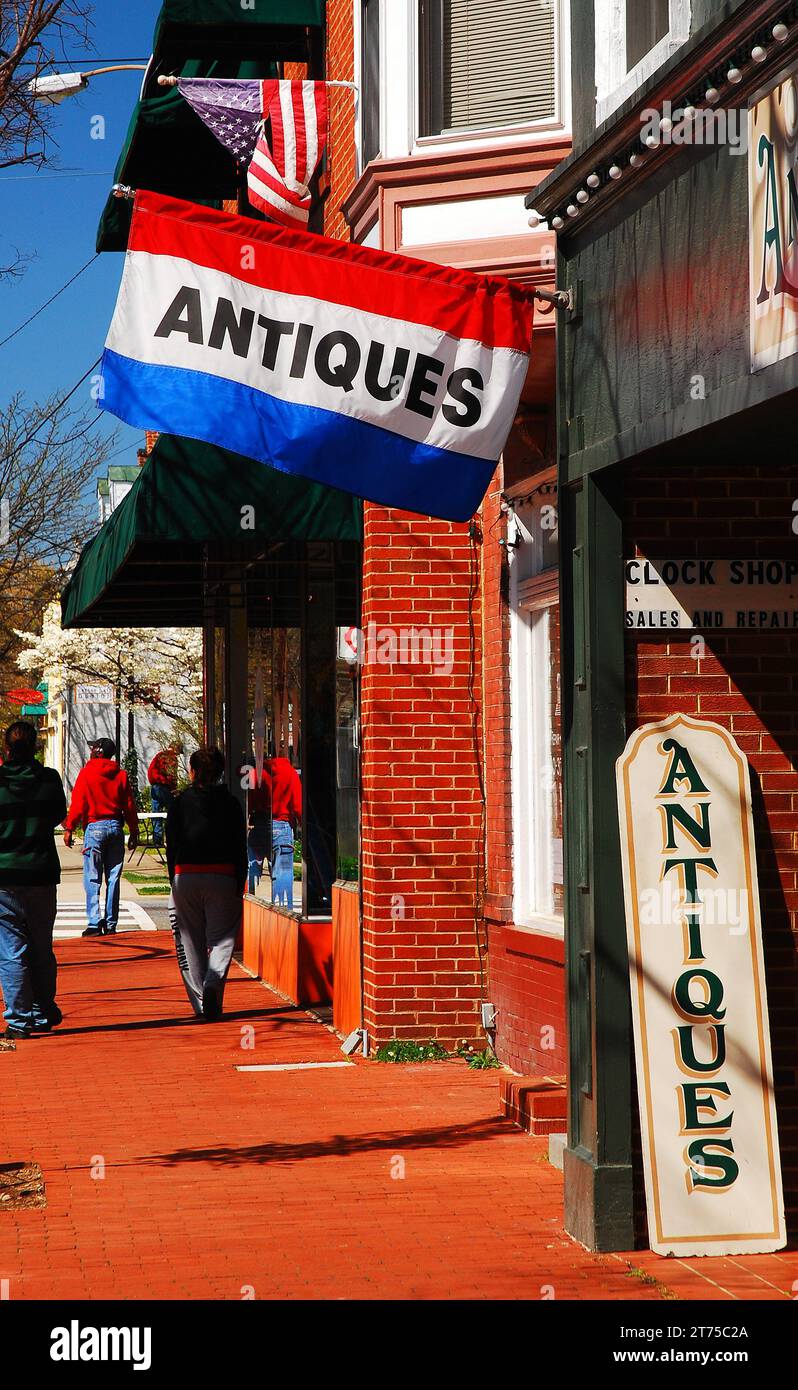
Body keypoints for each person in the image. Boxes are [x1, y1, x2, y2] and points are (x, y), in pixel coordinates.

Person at [166, 746, 247, 1021]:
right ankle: (213, 984)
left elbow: (172, 843)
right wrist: (240, 878)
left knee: (190, 942)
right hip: (223, 875)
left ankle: (201, 1000)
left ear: (192, 771)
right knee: (223, 939)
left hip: (185, 875)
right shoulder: (231, 804)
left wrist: (172, 879)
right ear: (220, 773)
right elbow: (239, 844)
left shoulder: (179, 804)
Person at [0, 721, 67, 1039]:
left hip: (5, 876)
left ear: (7, 749)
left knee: (12, 950)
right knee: (42, 946)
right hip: (41, 874)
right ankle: (42, 1010)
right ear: (36, 748)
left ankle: (19, 1020)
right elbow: (57, 815)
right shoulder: (49, 779)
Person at [63, 738, 138, 937]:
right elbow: (129, 805)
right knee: (113, 877)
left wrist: (70, 827)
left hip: (94, 827)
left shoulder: (87, 773)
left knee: (92, 877)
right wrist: (134, 830)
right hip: (115, 827)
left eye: (92, 748)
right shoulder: (121, 775)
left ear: (98, 752)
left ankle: (95, 922)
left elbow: (79, 802)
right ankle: (111, 923)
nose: (90, 751)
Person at [267, 751, 302, 908]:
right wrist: (302, 824)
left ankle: (273, 907)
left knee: (271, 872)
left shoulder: (262, 772)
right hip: (283, 824)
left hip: (262, 825)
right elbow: (298, 804)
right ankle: (284, 909)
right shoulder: (291, 773)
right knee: (284, 872)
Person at [147, 743, 181, 847]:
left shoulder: (159, 756)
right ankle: (174, 838)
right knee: (173, 811)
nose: (179, 755)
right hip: (163, 787)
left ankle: (158, 841)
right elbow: (171, 775)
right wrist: (174, 788)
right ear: (176, 749)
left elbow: (150, 771)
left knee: (156, 814)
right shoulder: (172, 758)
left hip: (154, 787)